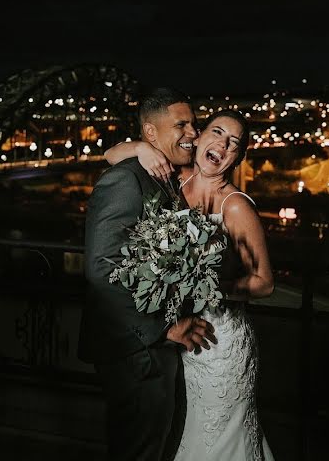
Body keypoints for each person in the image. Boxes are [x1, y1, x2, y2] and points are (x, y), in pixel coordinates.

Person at [104, 109, 275, 461]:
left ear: (238, 157)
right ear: (199, 138)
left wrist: (204, 285)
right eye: (217, 132)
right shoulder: (172, 180)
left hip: (219, 344)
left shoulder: (236, 206)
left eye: (234, 143)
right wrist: (143, 148)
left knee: (216, 440)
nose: (223, 145)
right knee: (181, 433)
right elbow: (111, 155)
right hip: (179, 338)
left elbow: (264, 283)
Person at [77, 87, 219, 461]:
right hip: (136, 350)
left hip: (152, 350)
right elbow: (100, 269)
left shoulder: (162, 174)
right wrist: (162, 326)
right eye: (182, 124)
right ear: (151, 134)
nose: (192, 132)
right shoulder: (125, 180)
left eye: (194, 123)